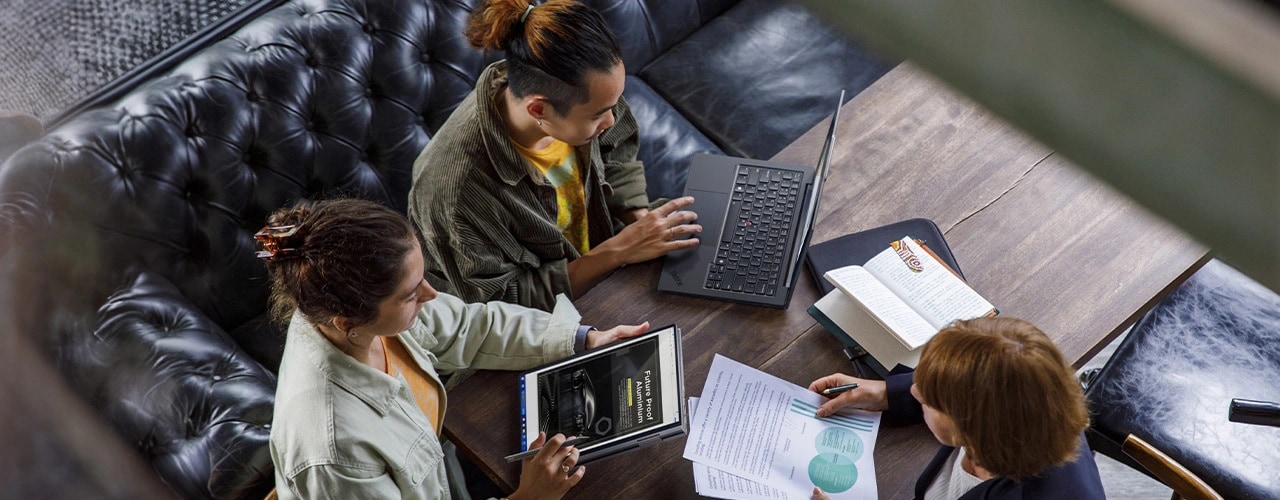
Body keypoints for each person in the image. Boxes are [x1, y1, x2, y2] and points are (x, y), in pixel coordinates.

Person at [261, 198, 649, 499]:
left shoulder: (342, 308)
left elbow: (470, 326)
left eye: (423, 277)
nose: (431, 295)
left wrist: (583, 339)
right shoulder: (334, 453)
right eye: (412, 295)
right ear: (348, 322)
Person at [408, 0, 701, 311]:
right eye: (598, 115)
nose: (612, 121)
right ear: (538, 110)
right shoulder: (455, 194)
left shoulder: (572, 86)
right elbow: (502, 308)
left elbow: (617, 147)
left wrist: (640, 223)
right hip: (544, 323)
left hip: (609, 261)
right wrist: (620, 249)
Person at [808, 317, 1105, 500]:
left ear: (975, 425)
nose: (914, 390)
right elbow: (979, 382)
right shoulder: (1032, 403)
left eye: (927, 399)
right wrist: (884, 391)